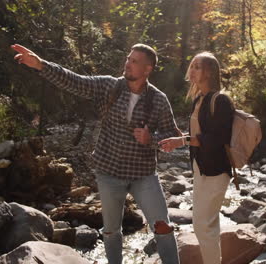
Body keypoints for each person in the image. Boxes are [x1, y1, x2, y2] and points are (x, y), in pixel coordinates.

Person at [11, 43, 180, 264]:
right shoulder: (109, 87)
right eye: (128, 58)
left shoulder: (158, 99)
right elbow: (75, 81)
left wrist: (152, 140)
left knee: (163, 227)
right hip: (109, 172)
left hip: (143, 174)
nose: (127, 63)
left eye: (134, 61)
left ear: (147, 69)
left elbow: (171, 135)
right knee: (111, 231)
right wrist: (41, 65)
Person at [159, 52, 234, 264]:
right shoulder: (198, 99)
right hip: (200, 167)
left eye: (197, 67)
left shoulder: (221, 100)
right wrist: (178, 138)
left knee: (202, 225)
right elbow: (198, 133)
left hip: (217, 169)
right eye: (191, 66)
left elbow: (218, 138)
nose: (191, 70)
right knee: (207, 224)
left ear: (209, 72)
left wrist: (181, 142)